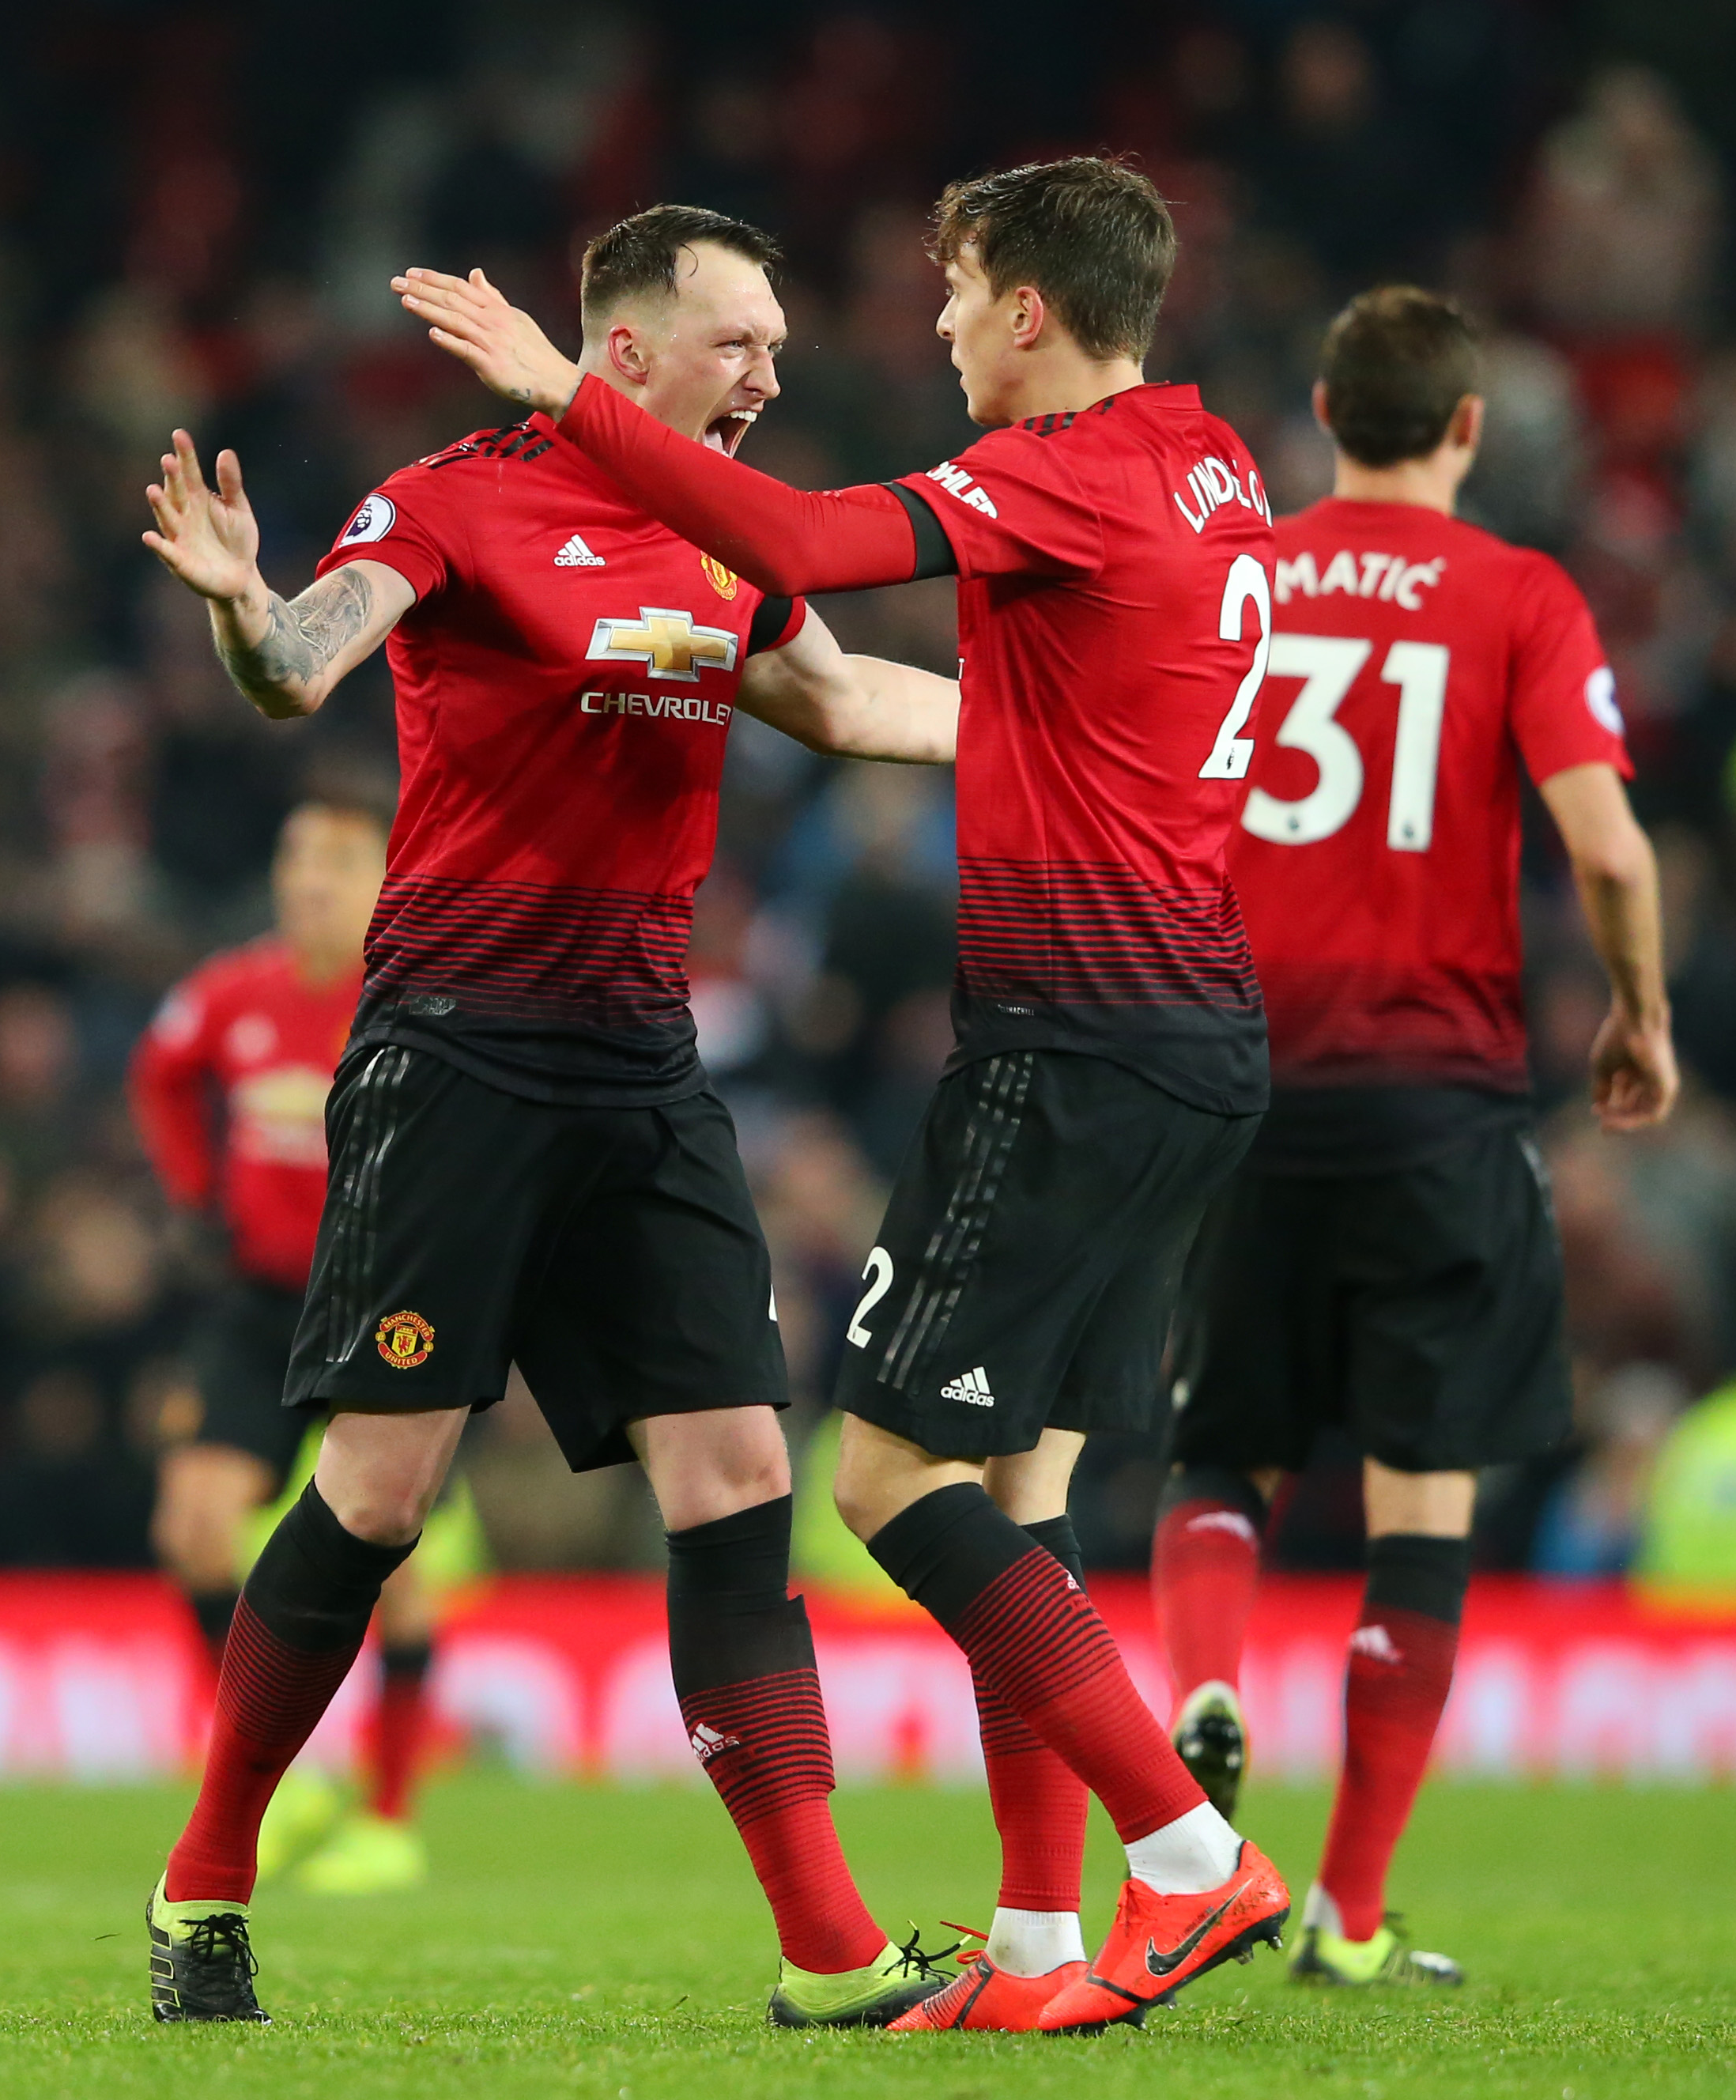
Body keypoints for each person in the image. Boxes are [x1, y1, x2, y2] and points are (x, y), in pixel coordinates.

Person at [405, 155, 1291, 2036]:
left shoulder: (1060, 468)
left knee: (887, 1475)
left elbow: (795, 550)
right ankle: (1038, 1949)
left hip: (1076, 1036)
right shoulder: (1210, 463)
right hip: (1201, 1031)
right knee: (1021, 1495)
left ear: (1032, 309)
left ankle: (1194, 1856)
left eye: (960, 294)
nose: (943, 327)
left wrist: (560, 391)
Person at [137, 202, 962, 2028]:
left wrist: (1064, 731)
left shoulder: (721, 531)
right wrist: (237, 609)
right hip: (458, 1053)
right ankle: (205, 1876)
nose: (770, 373)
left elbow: (838, 697)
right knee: (379, 1490)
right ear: (629, 346)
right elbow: (298, 663)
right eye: (739, 341)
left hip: (640, 1065)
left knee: (741, 1473)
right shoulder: (452, 498)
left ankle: (829, 1951)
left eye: (773, 345)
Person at [1146, 287, 1677, 1988]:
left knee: (1223, 1445)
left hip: (1238, 1080)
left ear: (1320, 411)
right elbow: (1605, 842)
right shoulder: (1517, 594)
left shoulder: (1246, 580)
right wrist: (1638, 1010)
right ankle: (1351, 1914)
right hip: (1434, 1098)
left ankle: (1204, 1690)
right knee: (1420, 1496)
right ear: (1465, 427)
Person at [130, 784, 456, 1895]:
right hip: (261, 1300)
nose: (308, 884)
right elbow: (160, 1075)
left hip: (384, 1299)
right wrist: (192, 1190)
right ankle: (277, 1776)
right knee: (193, 1527)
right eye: (294, 863)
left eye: (333, 863)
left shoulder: (415, 992)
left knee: (396, 1566)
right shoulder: (232, 994)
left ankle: (390, 1818)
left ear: (381, 876)